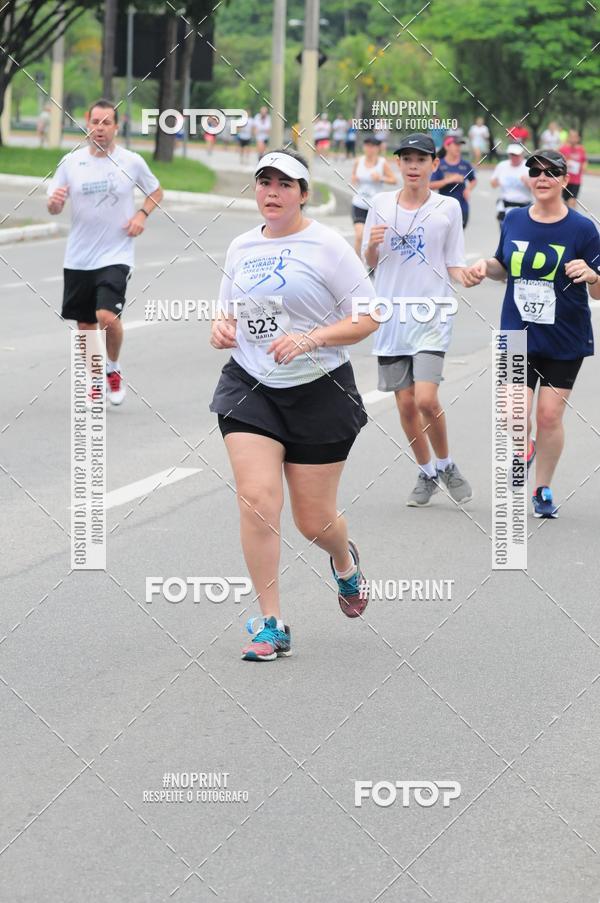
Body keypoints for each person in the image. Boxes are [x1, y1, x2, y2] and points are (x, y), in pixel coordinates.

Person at [209, 149, 379, 661]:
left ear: (304, 193)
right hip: (251, 386)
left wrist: (313, 339)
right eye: (265, 182)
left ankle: (344, 563)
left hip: (320, 388)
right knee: (258, 499)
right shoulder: (241, 247)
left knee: (315, 523)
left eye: (286, 183)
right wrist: (221, 328)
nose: (273, 192)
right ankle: (271, 623)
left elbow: (370, 315)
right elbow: (227, 313)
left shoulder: (326, 246)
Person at [466, 149, 600, 518]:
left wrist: (592, 275)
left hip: (564, 336)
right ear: (527, 178)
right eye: (535, 171)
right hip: (516, 331)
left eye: (551, 172)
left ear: (564, 179)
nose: (542, 177)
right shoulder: (514, 220)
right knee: (512, 415)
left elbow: (599, 288)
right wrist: (483, 267)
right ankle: (522, 449)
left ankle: (542, 488)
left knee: (548, 417)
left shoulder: (583, 229)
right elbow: (502, 266)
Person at [362, 133, 474, 508]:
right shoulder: (379, 204)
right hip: (392, 317)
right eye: (406, 159)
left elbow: (454, 262)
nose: (413, 166)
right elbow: (370, 263)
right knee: (406, 406)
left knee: (426, 399)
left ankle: (446, 464)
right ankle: (426, 472)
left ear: (434, 165)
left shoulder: (448, 208)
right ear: (398, 164)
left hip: (432, 313)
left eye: (421, 160)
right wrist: (373, 245)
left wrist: (467, 275)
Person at [47, 99, 163, 405]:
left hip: (116, 253)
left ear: (116, 126)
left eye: (106, 123)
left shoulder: (131, 161)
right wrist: (56, 202)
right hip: (78, 257)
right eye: (95, 122)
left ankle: (113, 367)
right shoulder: (71, 163)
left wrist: (142, 215)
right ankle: (97, 377)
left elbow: (156, 190)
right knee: (85, 325)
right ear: (87, 123)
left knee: (106, 316)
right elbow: (53, 205)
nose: (99, 128)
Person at [350, 136, 397, 255]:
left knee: (376, 238)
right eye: (367, 146)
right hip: (359, 203)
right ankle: (359, 266)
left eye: (373, 146)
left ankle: (372, 265)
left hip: (376, 207)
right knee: (359, 235)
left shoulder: (382, 163)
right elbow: (353, 176)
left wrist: (380, 178)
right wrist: (354, 178)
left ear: (378, 148)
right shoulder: (358, 161)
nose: (369, 149)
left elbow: (394, 180)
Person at [430, 136, 476, 229]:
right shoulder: (439, 165)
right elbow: (430, 185)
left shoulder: (465, 164)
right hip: (443, 208)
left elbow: (473, 180)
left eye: (460, 145)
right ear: (446, 146)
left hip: (462, 207)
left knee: (458, 239)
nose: (458, 147)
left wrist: (468, 189)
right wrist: (449, 180)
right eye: (455, 145)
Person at [490, 143, 531, 226]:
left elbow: (535, 189)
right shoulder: (502, 165)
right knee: (505, 230)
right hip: (506, 204)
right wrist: (498, 181)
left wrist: (527, 182)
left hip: (523, 204)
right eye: (512, 154)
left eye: (516, 155)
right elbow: (493, 184)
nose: (514, 157)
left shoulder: (528, 167)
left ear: (522, 154)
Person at [560, 129, 587, 209]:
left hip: (576, 181)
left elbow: (584, 160)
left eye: (575, 137)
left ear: (578, 138)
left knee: (572, 201)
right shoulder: (563, 149)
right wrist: (566, 163)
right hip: (565, 179)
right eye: (571, 137)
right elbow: (558, 161)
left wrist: (584, 167)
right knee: (565, 202)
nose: (573, 139)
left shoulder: (581, 149)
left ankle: (572, 218)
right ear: (568, 138)